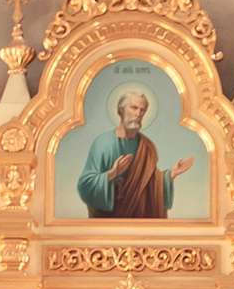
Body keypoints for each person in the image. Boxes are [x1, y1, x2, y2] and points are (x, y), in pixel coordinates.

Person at [77, 88, 192, 219]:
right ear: (121, 110)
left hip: (139, 217)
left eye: (142, 110)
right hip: (109, 220)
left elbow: (151, 182)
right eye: (134, 108)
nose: (138, 113)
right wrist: (112, 174)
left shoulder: (147, 147)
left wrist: (171, 174)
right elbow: (85, 185)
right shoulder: (102, 143)